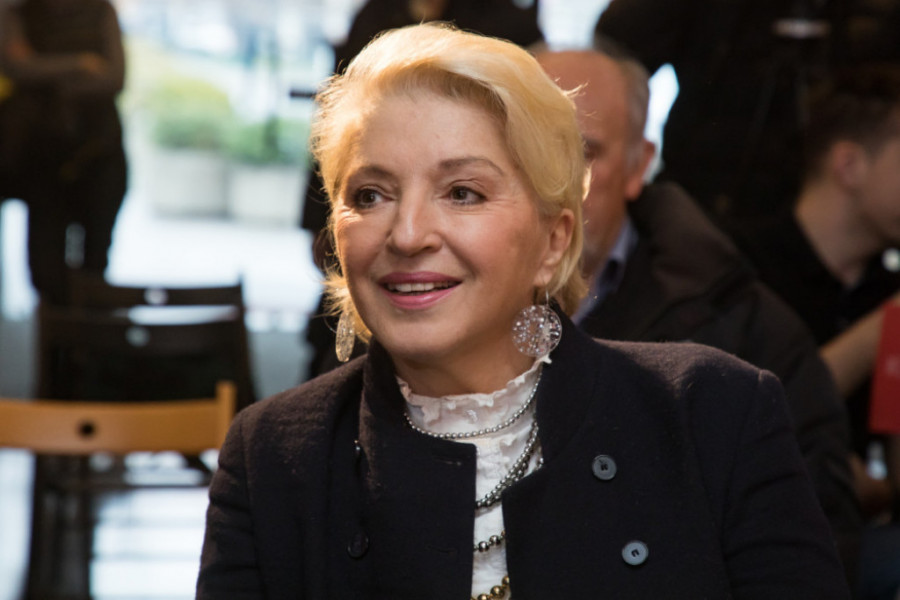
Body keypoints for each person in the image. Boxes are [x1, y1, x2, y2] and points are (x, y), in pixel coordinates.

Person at [197, 23, 850, 598]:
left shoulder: (715, 413)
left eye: (462, 192)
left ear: (553, 242)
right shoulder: (272, 458)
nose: (408, 234)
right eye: (370, 195)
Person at [534, 41, 861, 581]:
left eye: (585, 152)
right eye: (529, 150)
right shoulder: (437, 306)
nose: (555, 180)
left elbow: (813, 543)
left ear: (640, 164)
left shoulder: (741, 325)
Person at [0, 0, 127, 305]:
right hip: (42, 154)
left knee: (96, 258)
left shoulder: (100, 10)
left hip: (98, 147)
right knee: (46, 265)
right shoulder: (20, 13)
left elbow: (114, 78)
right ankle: (55, 331)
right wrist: (82, 63)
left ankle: (89, 331)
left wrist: (47, 75)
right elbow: (18, 68)